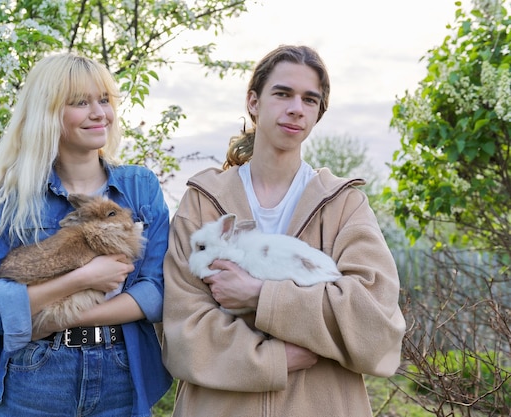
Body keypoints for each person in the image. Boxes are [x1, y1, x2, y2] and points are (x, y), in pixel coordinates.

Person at [161, 44, 406, 416]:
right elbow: (183, 332)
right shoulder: (203, 201)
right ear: (254, 102)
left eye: (310, 100)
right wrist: (277, 358)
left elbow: (377, 326)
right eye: (282, 93)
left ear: (318, 114)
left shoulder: (343, 204)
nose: (296, 108)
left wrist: (262, 296)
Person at [0, 52, 173, 417]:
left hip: (121, 373)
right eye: (80, 103)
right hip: (37, 374)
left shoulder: (140, 188)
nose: (99, 113)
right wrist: (84, 278)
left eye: (104, 100)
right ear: (49, 113)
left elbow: (156, 295)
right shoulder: (14, 198)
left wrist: (40, 318)